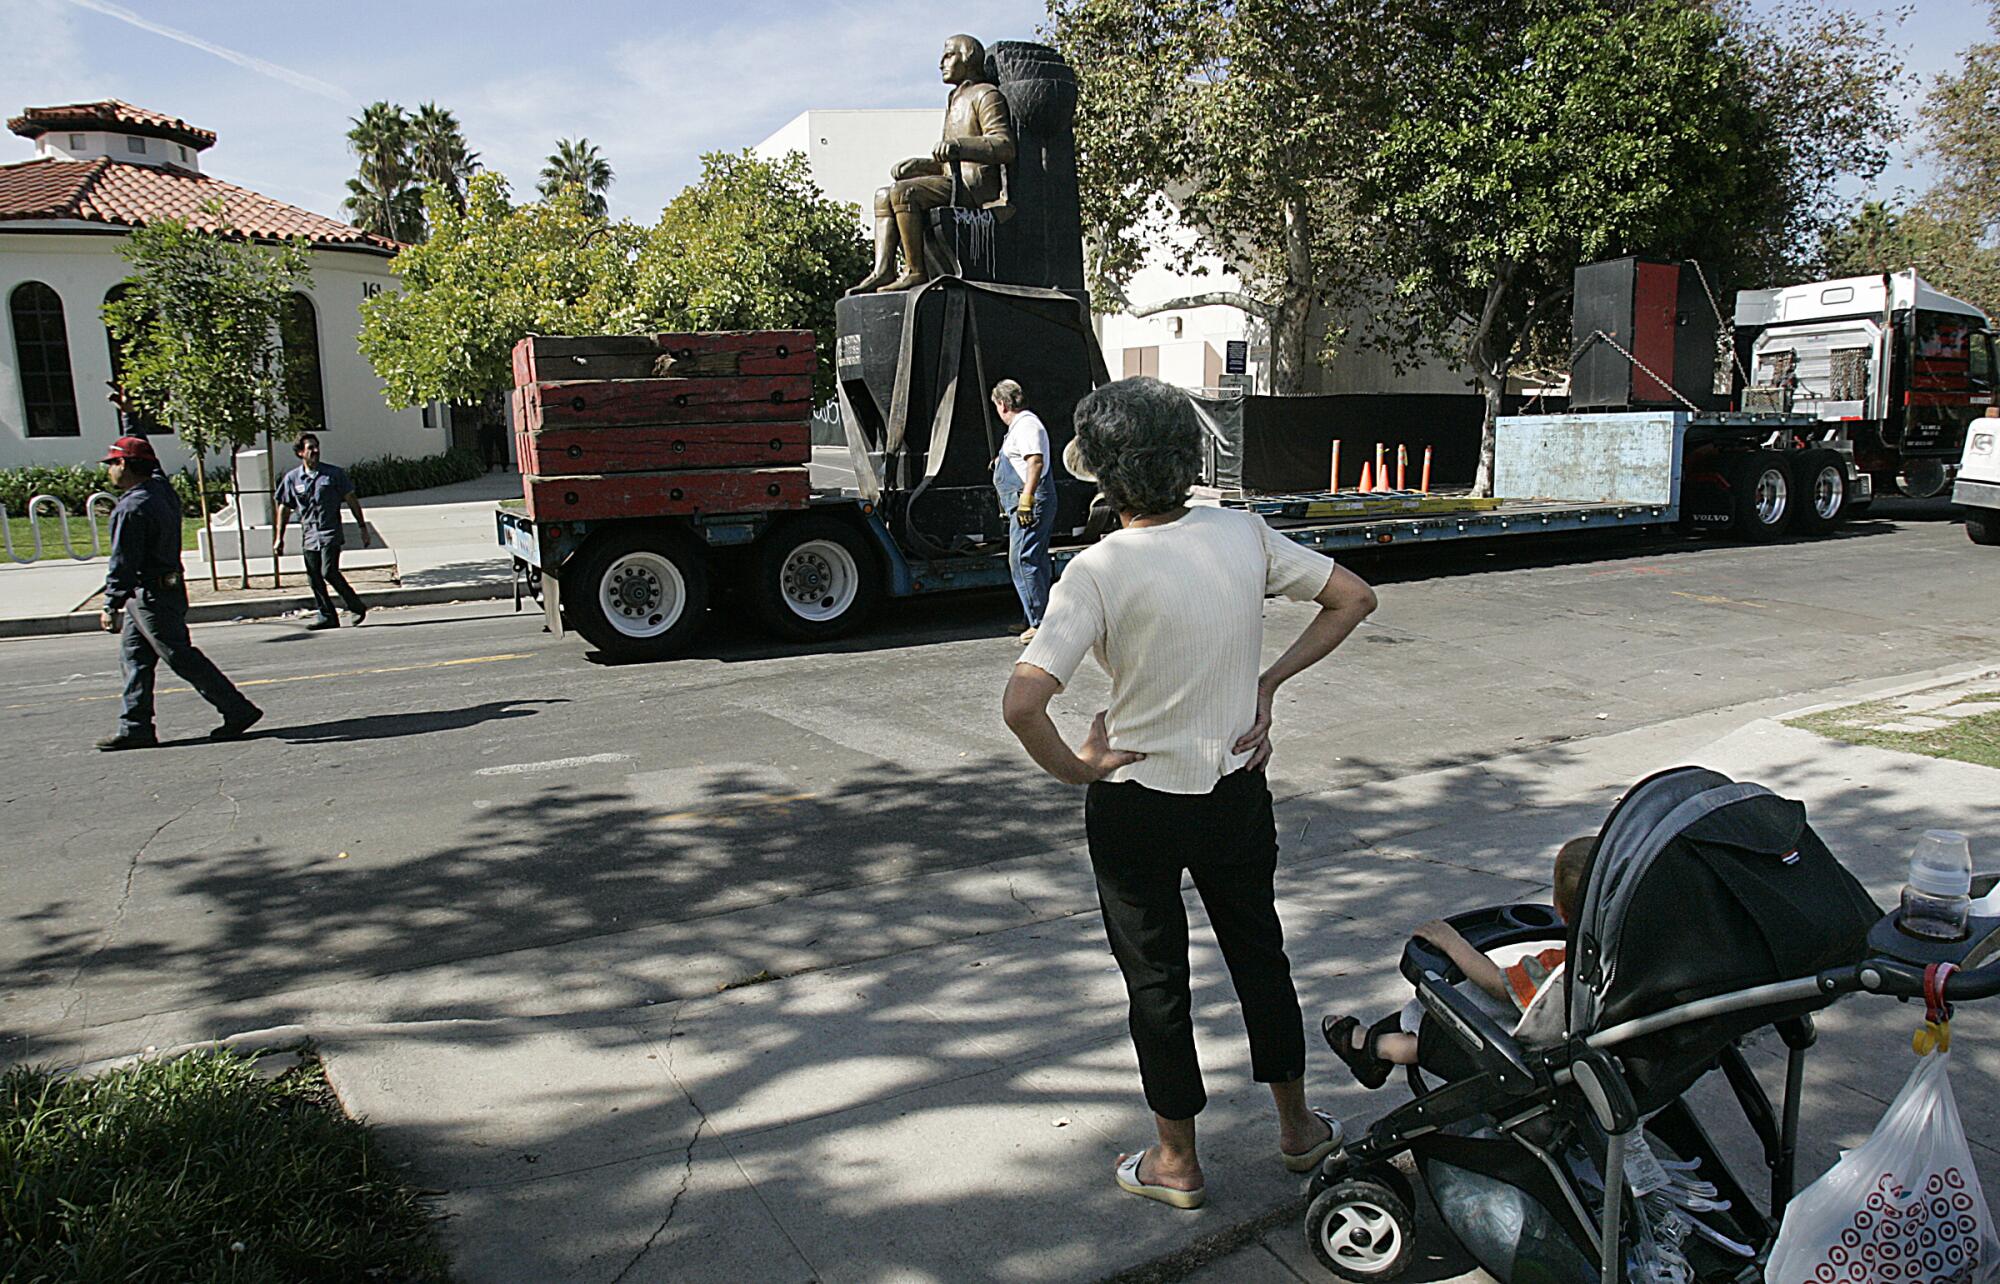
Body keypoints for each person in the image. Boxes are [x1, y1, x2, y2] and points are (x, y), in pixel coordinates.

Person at [1001, 377, 1379, 1210]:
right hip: (1235, 790)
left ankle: (1177, 1161)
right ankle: (1297, 1130)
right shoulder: (1242, 534)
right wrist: (1267, 684)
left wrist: (1082, 768)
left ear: (1102, 475)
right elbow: (1354, 597)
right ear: (1186, 456)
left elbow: (1023, 704)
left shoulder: (1096, 570)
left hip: (1136, 802)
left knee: (1157, 983)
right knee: (1259, 955)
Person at [1323, 835, 1594, 1089]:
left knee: (1459, 1001)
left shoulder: (1560, 970)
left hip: (1526, 1049)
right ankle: (1380, 1039)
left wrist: (1452, 943)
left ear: (1560, 911)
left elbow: (1498, 985)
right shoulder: (1621, 963)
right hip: (1585, 1031)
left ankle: (1377, 1046)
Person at [94, 436, 262, 750]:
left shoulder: (130, 509)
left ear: (126, 465)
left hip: (149, 597)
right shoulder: (161, 490)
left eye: (112, 463)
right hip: (162, 591)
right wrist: (130, 418)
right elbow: (152, 460)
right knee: (134, 659)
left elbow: (123, 563)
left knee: (179, 655)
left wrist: (110, 603)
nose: (110, 471)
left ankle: (237, 709)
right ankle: (135, 726)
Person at [848, 33, 1016, 294]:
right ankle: (883, 270)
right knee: (883, 195)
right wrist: (920, 165)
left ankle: (915, 271)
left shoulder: (986, 95)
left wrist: (959, 146)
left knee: (904, 192)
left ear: (968, 58)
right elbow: (945, 162)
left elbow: (1004, 145)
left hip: (974, 189)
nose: (941, 62)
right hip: (953, 182)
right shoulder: (954, 101)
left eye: (949, 55)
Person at [273, 432, 370, 630]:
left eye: (316, 447)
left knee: (329, 571)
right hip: (309, 535)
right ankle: (327, 616)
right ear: (300, 453)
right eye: (310, 448)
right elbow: (284, 507)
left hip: (330, 532)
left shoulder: (334, 474)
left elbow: (351, 499)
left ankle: (356, 606)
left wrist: (362, 527)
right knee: (314, 576)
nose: (315, 451)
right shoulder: (292, 479)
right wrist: (279, 538)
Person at [991, 379, 1056, 642]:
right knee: (1034, 560)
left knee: (1023, 560)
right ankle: (1033, 616)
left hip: (1028, 502)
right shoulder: (1022, 426)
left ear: (1003, 404)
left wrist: (1027, 499)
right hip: (1026, 500)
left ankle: (1040, 624)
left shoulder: (1027, 425)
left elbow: (1035, 462)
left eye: (996, 406)